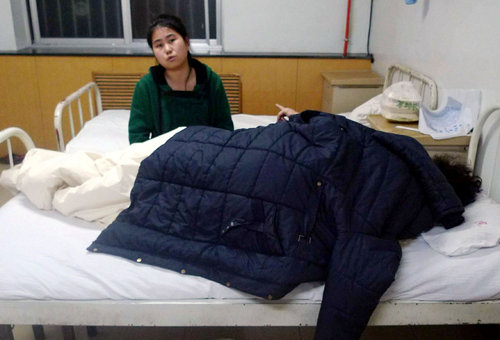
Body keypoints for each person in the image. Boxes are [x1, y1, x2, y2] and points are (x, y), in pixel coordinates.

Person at [91, 110, 480, 339]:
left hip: (251, 154)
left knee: (159, 169)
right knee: (171, 177)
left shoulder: (386, 146)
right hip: (277, 168)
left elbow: (318, 122)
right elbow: (360, 264)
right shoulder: (399, 190)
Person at [128, 14, 234, 144]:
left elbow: (225, 128)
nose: (167, 49)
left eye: (172, 40)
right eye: (159, 45)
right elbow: (137, 137)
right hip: (163, 157)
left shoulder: (210, 80)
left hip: (207, 154)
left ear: (187, 42)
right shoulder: (146, 86)